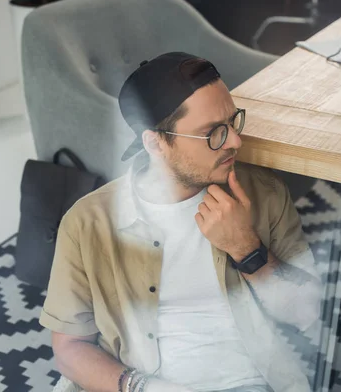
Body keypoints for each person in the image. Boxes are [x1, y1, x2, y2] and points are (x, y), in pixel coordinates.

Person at [39, 52, 322, 392]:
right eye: (213, 133)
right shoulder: (88, 223)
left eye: (234, 122)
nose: (235, 141)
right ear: (155, 143)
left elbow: (307, 313)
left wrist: (248, 250)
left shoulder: (265, 195)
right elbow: (69, 349)